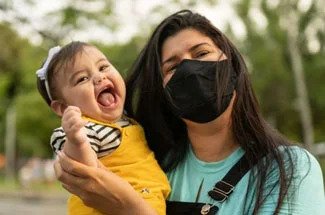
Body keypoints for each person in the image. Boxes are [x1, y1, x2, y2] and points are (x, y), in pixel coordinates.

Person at [54, 10, 325, 215]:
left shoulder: (290, 170)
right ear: (162, 91)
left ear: (230, 62)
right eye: (172, 67)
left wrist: (130, 208)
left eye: (202, 52)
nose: (189, 70)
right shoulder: (153, 165)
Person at [36, 41, 170, 215]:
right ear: (63, 107)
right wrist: (76, 140)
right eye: (82, 79)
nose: (99, 77)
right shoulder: (86, 129)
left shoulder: (126, 120)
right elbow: (82, 170)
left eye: (103, 67)